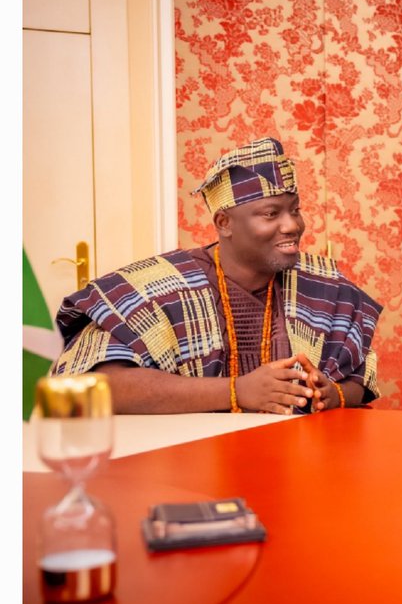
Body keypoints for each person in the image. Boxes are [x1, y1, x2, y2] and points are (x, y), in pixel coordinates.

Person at [51, 137, 381, 414]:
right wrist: (237, 391)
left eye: (294, 209)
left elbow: (359, 381)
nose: (292, 225)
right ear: (224, 223)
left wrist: (333, 394)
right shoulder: (160, 287)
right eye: (271, 213)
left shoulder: (323, 284)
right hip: (186, 465)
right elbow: (98, 386)